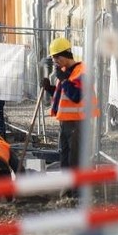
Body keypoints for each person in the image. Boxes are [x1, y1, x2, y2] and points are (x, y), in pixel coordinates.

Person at [39, 37, 95, 170]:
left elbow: (76, 96)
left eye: (56, 58)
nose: (56, 62)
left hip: (78, 123)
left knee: (74, 161)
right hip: (66, 123)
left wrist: (63, 80)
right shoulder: (65, 72)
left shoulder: (82, 71)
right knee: (64, 159)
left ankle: (76, 190)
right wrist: (50, 88)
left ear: (65, 55)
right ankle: (67, 189)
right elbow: (63, 96)